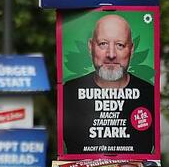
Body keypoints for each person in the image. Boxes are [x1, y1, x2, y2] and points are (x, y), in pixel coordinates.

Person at [62, 14, 154, 155]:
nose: (111, 54)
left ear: (131, 49)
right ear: (90, 47)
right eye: (103, 44)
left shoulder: (149, 94)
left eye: (120, 45)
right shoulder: (68, 93)